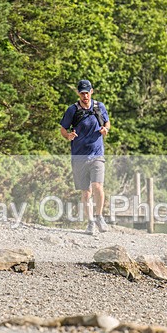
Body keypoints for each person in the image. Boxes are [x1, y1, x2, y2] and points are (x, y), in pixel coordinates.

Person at [60, 79, 111, 234]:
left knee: (97, 186)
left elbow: (107, 123)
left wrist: (105, 130)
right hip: (79, 156)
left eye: (87, 93)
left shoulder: (99, 107)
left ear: (91, 92)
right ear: (78, 93)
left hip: (97, 154)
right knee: (86, 192)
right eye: (82, 93)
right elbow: (63, 129)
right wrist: (68, 136)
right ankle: (90, 223)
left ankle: (99, 216)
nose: (84, 96)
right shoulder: (72, 110)